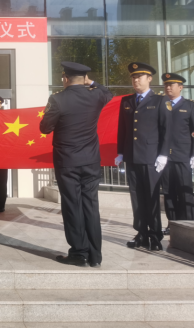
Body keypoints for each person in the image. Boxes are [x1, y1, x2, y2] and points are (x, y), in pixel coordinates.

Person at [40, 62, 112, 267]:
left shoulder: (57, 99)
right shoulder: (95, 96)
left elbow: (45, 128)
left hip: (68, 162)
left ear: (65, 78)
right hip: (91, 161)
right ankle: (95, 256)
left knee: (72, 206)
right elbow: (108, 93)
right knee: (91, 207)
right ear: (84, 79)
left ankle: (79, 253)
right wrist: (92, 82)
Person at [115, 62, 171, 251]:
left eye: (139, 77)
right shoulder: (127, 101)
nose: (135, 80)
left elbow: (167, 130)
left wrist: (163, 154)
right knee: (136, 196)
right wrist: (121, 152)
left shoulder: (160, 101)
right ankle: (141, 233)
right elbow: (122, 129)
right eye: (133, 77)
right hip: (132, 156)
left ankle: (155, 235)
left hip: (151, 158)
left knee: (151, 196)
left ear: (149, 79)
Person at [159, 73, 194, 234]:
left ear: (180, 87)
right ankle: (173, 224)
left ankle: (189, 224)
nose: (168, 87)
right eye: (166, 85)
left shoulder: (190, 106)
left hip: (183, 156)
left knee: (184, 192)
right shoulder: (161, 105)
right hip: (165, 157)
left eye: (171, 85)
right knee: (168, 192)